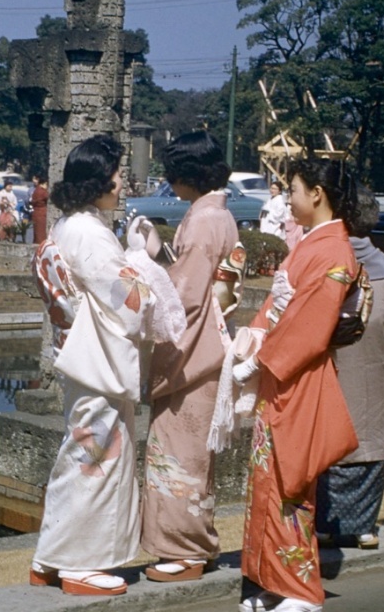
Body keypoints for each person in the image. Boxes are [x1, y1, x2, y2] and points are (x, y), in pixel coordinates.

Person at [29, 135, 162, 597]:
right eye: (116, 173)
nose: (121, 181)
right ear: (97, 181)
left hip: (83, 353)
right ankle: (79, 563)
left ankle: (52, 556)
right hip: (97, 358)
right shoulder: (89, 233)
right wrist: (143, 265)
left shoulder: (70, 227)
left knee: (83, 452)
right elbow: (131, 302)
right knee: (94, 457)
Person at [235, 159, 361, 612]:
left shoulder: (334, 252)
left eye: (293, 189)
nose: (288, 198)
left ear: (317, 194)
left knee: (290, 479)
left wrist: (260, 361)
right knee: (268, 478)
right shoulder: (314, 245)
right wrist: (253, 351)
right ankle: (273, 579)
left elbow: (310, 325)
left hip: (300, 374)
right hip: (282, 373)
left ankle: (301, 590)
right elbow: (278, 308)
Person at [138, 131, 243, 583]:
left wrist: (145, 275)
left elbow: (185, 295)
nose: (170, 184)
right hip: (212, 342)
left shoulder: (202, 223)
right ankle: (197, 541)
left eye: (174, 176)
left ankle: (184, 548)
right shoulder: (220, 216)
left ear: (188, 176)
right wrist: (162, 253)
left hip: (193, 349)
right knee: (195, 457)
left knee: (178, 453)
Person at [314, 187, 384, 551]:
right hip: (375, 370)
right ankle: (364, 528)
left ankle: (325, 526)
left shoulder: (323, 263)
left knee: (327, 443)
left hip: (329, 370)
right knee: (370, 441)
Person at [30, 174, 49, 244]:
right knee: (41, 234)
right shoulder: (43, 192)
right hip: (42, 212)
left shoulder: (35, 190)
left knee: (36, 233)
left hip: (35, 212)